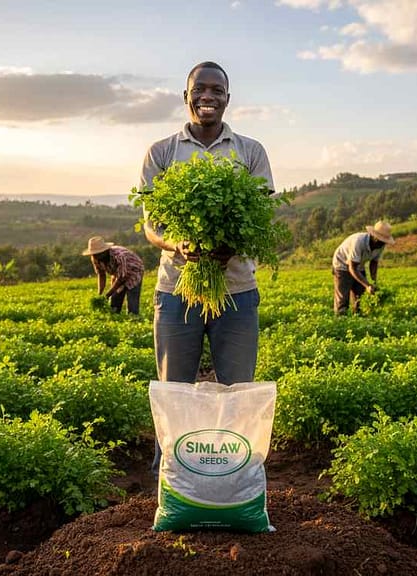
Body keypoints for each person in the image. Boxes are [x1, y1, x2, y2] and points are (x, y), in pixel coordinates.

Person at [139, 61, 275, 474]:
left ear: (228, 99)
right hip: (176, 290)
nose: (208, 97)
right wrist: (177, 243)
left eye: (217, 90)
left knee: (236, 393)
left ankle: (232, 480)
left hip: (236, 291)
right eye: (200, 89)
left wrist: (231, 246)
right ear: (186, 96)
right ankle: (172, 482)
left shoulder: (250, 151)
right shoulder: (161, 152)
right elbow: (151, 224)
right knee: (174, 392)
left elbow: (261, 215)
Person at [332, 221, 396, 315]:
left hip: (358, 265)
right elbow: (352, 268)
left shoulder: (380, 246)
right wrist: (367, 285)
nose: (383, 243)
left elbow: (374, 263)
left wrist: (373, 282)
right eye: (382, 240)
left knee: (359, 296)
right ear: (375, 237)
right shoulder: (358, 241)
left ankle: (357, 316)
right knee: (343, 299)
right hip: (342, 264)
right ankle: (340, 317)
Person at [82, 236, 144, 315]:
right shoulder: (95, 258)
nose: (95, 256)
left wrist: (107, 295)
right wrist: (100, 294)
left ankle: (133, 317)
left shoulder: (119, 256)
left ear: (104, 251)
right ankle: (115, 316)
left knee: (132, 300)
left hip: (134, 271)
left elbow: (121, 279)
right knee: (115, 299)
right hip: (118, 273)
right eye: (93, 254)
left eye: (97, 254)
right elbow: (101, 275)